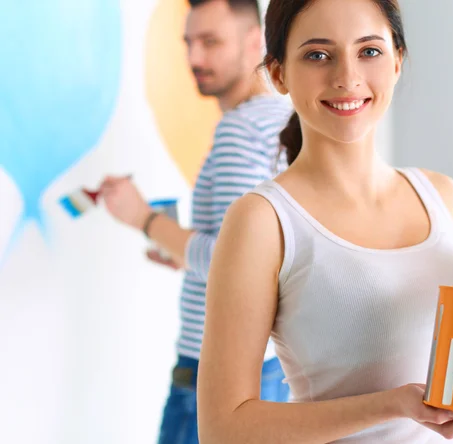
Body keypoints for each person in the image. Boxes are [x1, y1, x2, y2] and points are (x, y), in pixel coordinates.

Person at [196, 0, 453, 442]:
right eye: (318, 54)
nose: (347, 77)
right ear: (278, 73)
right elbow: (222, 428)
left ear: (397, 61)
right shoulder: (262, 220)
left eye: (369, 51)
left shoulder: (440, 193)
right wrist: (390, 404)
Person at [100, 0, 292, 443]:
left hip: (214, 375)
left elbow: (233, 260)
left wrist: (143, 217)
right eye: (188, 42)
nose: (194, 58)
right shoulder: (281, 122)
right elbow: (260, 257)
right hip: (266, 367)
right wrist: (184, 252)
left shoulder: (239, 132)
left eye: (211, 42)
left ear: (253, 43)